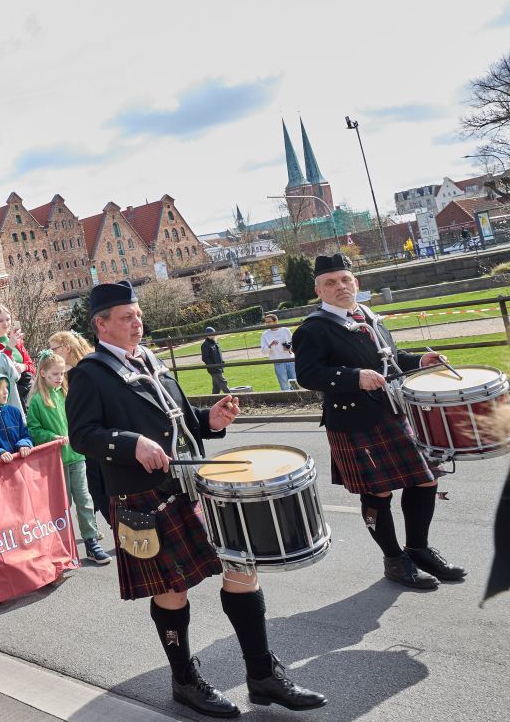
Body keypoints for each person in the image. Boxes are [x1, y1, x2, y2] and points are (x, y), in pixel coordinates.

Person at [67, 280, 324, 717]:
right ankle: (184, 681)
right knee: (173, 589)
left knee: (241, 566)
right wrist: (132, 444)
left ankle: (262, 676)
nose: (138, 323)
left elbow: (180, 423)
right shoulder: (90, 374)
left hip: (192, 485)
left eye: (138, 314)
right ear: (101, 325)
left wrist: (212, 419)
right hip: (142, 497)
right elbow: (83, 436)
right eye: (127, 317)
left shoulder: (149, 361)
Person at [292, 253, 465, 590]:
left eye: (345, 279)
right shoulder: (314, 329)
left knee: (426, 481)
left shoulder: (368, 316)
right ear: (319, 291)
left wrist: (420, 359)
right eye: (331, 282)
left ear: (355, 282)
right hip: (354, 421)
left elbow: (389, 359)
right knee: (377, 493)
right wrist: (354, 377)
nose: (340, 286)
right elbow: (308, 375)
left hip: (392, 411)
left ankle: (418, 548)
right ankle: (394, 559)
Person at [26, 351, 111, 565]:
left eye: (61, 373)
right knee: (63, 504)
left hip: (77, 456)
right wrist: (51, 437)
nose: (59, 377)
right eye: (55, 373)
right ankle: (63, 544)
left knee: (84, 499)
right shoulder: (37, 401)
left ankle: (91, 541)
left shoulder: (66, 394)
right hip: (56, 462)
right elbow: (34, 429)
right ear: (43, 373)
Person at [47, 329, 110, 523]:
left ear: (67, 348)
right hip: (88, 439)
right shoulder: (67, 374)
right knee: (96, 489)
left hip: (96, 436)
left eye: (53, 349)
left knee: (100, 488)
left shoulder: (82, 371)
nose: (50, 354)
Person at [0, 304, 36, 404]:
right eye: (0, 320)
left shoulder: (17, 341)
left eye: (8, 319)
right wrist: (10, 346)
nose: (6, 323)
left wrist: (23, 367)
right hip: (9, 396)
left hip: (28, 392)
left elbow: (32, 367)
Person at [259, 313, 297, 391]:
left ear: (276, 321)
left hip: (290, 360)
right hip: (278, 362)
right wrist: (270, 345)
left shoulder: (285, 330)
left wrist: (289, 347)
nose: (267, 324)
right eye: (266, 322)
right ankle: (288, 400)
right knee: (284, 385)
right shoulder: (265, 334)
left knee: (295, 383)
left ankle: (299, 399)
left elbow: (295, 343)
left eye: (269, 322)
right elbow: (263, 351)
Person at [201, 327, 231, 395]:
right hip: (214, 369)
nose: (214, 335)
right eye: (212, 334)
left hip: (219, 367)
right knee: (223, 383)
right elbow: (205, 358)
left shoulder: (215, 342)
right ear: (207, 335)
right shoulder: (205, 345)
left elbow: (219, 354)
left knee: (216, 387)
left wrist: (222, 362)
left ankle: (213, 401)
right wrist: (213, 366)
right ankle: (231, 399)